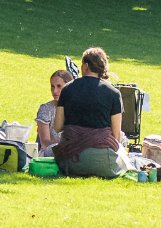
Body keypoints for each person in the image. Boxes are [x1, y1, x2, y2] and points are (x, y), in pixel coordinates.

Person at [52, 46, 124, 178]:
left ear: (85, 65)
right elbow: (116, 136)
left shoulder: (67, 89)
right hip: (103, 163)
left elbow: (57, 127)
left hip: (70, 160)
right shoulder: (114, 93)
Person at [34, 67, 76, 157]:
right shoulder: (45, 109)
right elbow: (45, 142)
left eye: (59, 86)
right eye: (52, 86)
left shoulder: (77, 108)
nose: (54, 91)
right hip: (51, 151)